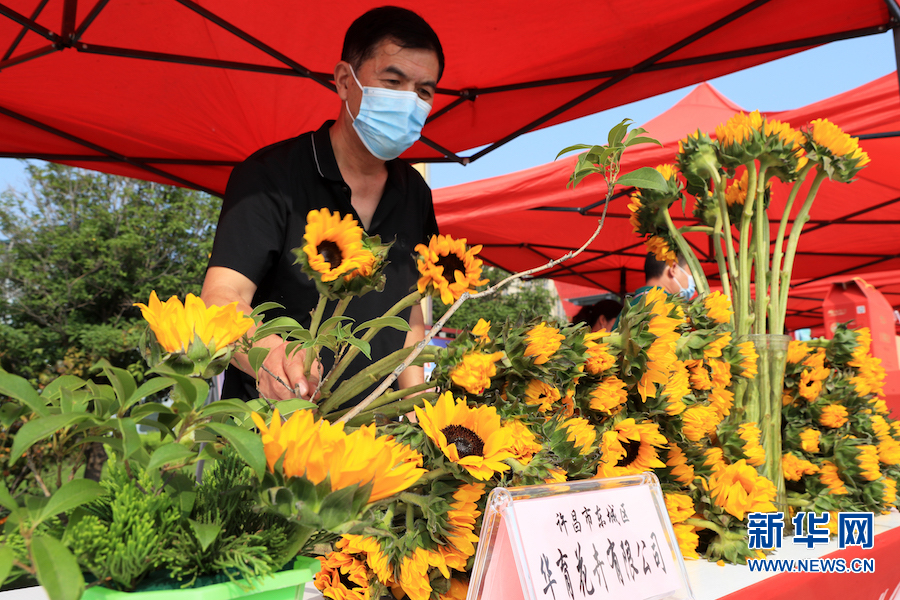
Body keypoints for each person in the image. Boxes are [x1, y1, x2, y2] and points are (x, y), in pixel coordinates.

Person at [201, 6, 444, 405]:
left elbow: (412, 317)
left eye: (424, 91)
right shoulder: (270, 176)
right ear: (345, 81)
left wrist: (415, 408)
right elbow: (222, 295)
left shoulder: (415, 191)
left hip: (373, 438)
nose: (409, 101)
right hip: (271, 429)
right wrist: (269, 355)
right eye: (393, 81)